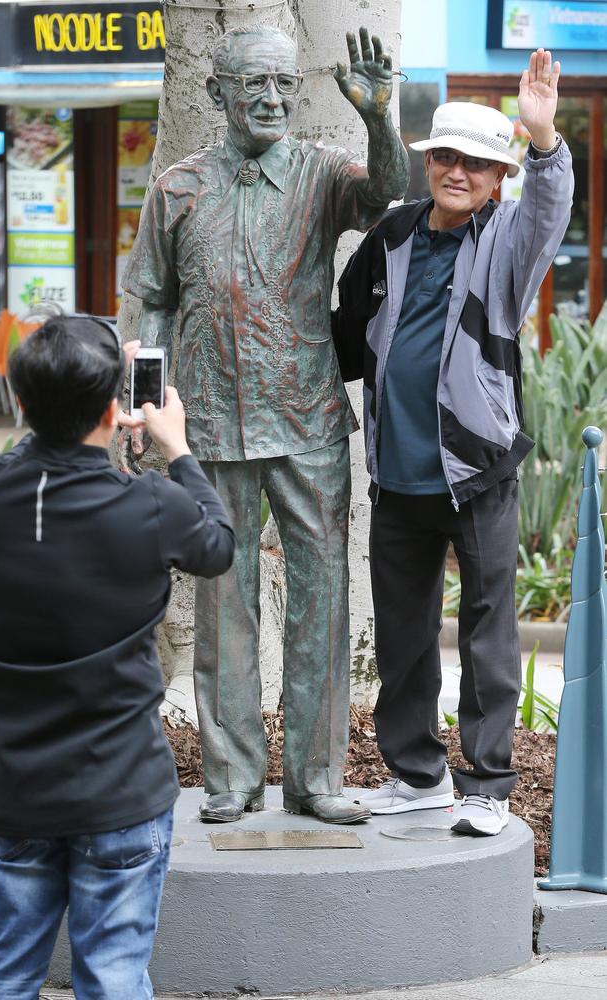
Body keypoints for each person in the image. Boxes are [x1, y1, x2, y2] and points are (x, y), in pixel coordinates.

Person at [122, 26, 409, 824]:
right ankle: (233, 775)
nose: (274, 98)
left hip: (307, 415)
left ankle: (316, 777)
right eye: (255, 85)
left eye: (284, 84)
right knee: (222, 601)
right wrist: (146, 402)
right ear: (216, 93)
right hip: (208, 424)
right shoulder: (177, 188)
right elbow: (150, 299)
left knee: (321, 598)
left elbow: (385, 189)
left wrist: (382, 117)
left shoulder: (321, 172)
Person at [0, 315, 234, 999]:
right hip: (121, 792)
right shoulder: (150, 506)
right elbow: (218, 542)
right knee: (113, 979)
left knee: (1, 977)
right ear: (117, 409)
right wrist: (179, 448)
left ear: (20, 404)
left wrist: (76, 380)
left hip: (16, 792)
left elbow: (22, 455)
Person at [333, 49, 573, 836]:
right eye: (445, 157)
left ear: (499, 176)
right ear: (428, 162)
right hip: (396, 476)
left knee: (487, 634)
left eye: (475, 162)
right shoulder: (394, 234)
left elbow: (549, 209)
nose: (457, 171)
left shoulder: (509, 238)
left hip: (475, 474)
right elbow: (344, 332)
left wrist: (543, 142)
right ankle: (417, 775)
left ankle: (487, 784)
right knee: (402, 637)